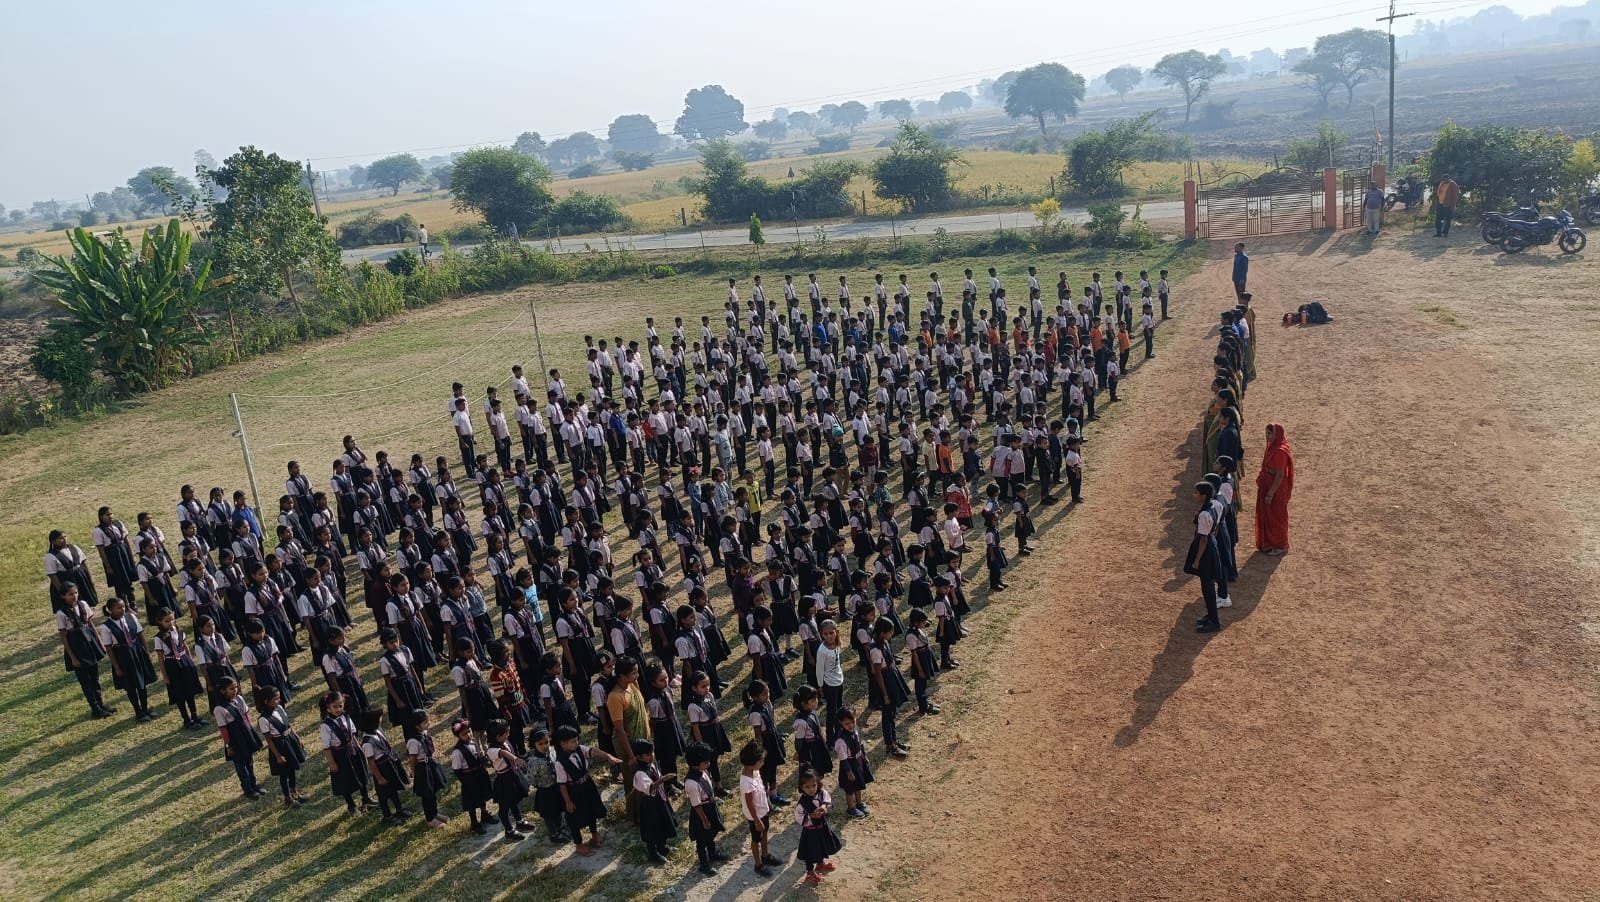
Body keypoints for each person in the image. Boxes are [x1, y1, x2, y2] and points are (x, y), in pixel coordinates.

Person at [214, 676, 265, 800]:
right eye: (231, 689)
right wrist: (228, 745)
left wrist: (251, 732)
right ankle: (247, 789)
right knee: (241, 765)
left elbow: (246, 716)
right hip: (235, 739)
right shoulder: (219, 709)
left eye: (236, 687)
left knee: (250, 761)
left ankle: (254, 784)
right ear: (223, 691)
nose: (235, 690)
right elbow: (223, 729)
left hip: (246, 733)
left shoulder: (239, 699)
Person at [631, 737, 680, 864]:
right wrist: (663, 779)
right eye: (647, 754)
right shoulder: (639, 773)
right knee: (652, 828)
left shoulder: (651, 765)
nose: (651, 756)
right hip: (649, 804)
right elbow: (650, 787)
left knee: (661, 823)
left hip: (659, 799)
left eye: (652, 752)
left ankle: (662, 847)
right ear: (639, 757)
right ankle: (653, 853)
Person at [256, 685, 307, 807]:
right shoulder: (263, 719)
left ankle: (294, 792)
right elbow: (269, 740)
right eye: (275, 699)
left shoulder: (279, 708)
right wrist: (278, 755)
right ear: (266, 701)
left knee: (292, 768)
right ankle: (287, 797)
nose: (279, 701)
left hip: (289, 740)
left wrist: (297, 738)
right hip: (280, 745)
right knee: (284, 773)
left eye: (279, 698)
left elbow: (288, 725)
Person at [1185, 482, 1225, 634]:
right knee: (1207, 586)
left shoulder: (1203, 515)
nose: (1194, 495)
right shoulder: (1215, 505)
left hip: (1205, 551)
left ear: (1204, 496)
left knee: (1207, 587)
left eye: (1196, 493)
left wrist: (1196, 561)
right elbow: (1217, 525)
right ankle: (1210, 616)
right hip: (1211, 545)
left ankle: (1214, 622)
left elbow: (1203, 540)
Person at [738, 739, 782, 878]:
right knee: (756, 838)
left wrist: (768, 804)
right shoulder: (746, 782)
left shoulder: (755, 771)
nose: (763, 762)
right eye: (761, 761)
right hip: (755, 816)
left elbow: (762, 790)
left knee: (765, 832)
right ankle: (758, 864)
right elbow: (749, 803)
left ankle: (765, 855)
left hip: (763, 810)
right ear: (753, 762)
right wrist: (756, 821)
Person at [684, 740, 729, 875]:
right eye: (705, 762)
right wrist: (704, 820)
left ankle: (713, 853)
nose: (708, 764)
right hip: (702, 812)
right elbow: (696, 804)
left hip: (710, 807)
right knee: (702, 839)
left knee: (711, 834)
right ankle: (704, 864)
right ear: (695, 763)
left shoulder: (702, 772)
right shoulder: (691, 782)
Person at [794, 768, 843, 884]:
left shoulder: (821, 793)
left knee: (822, 846)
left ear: (818, 783)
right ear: (801, 787)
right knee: (810, 852)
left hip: (822, 827)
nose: (811, 789)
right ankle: (810, 873)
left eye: (813, 785)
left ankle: (820, 864)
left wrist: (824, 807)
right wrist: (811, 816)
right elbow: (798, 817)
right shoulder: (802, 804)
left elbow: (827, 800)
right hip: (810, 831)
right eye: (807, 787)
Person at [1256, 423, 1294, 555]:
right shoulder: (1271, 447)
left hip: (1276, 489)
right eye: (1266, 433)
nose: (1267, 436)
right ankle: (1268, 543)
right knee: (1268, 515)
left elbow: (1280, 475)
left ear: (1276, 435)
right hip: (1268, 483)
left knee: (1277, 516)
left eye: (1270, 434)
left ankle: (1280, 545)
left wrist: (1270, 494)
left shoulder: (1280, 452)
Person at [1434, 173, 1460, 237]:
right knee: (1438, 219)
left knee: (1448, 220)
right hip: (1440, 203)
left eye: (1445, 179)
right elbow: (1438, 194)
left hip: (1448, 205)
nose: (1444, 180)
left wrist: (1453, 206)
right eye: (1443, 179)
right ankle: (1439, 233)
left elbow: (1455, 196)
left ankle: (1445, 233)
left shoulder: (1453, 185)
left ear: (1448, 178)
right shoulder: (1441, 183)